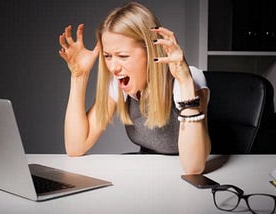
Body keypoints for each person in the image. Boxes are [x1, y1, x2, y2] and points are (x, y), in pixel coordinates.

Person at [59, 2, 211, 174]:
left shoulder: (189, 80)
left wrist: (185, 82)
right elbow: (75, 147)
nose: (113, 68)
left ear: (151, 51)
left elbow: (193, 167)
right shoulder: (119, 84)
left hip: (182, 173)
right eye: (108, 56)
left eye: (123, 56)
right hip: (147, 173)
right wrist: (79, 76)